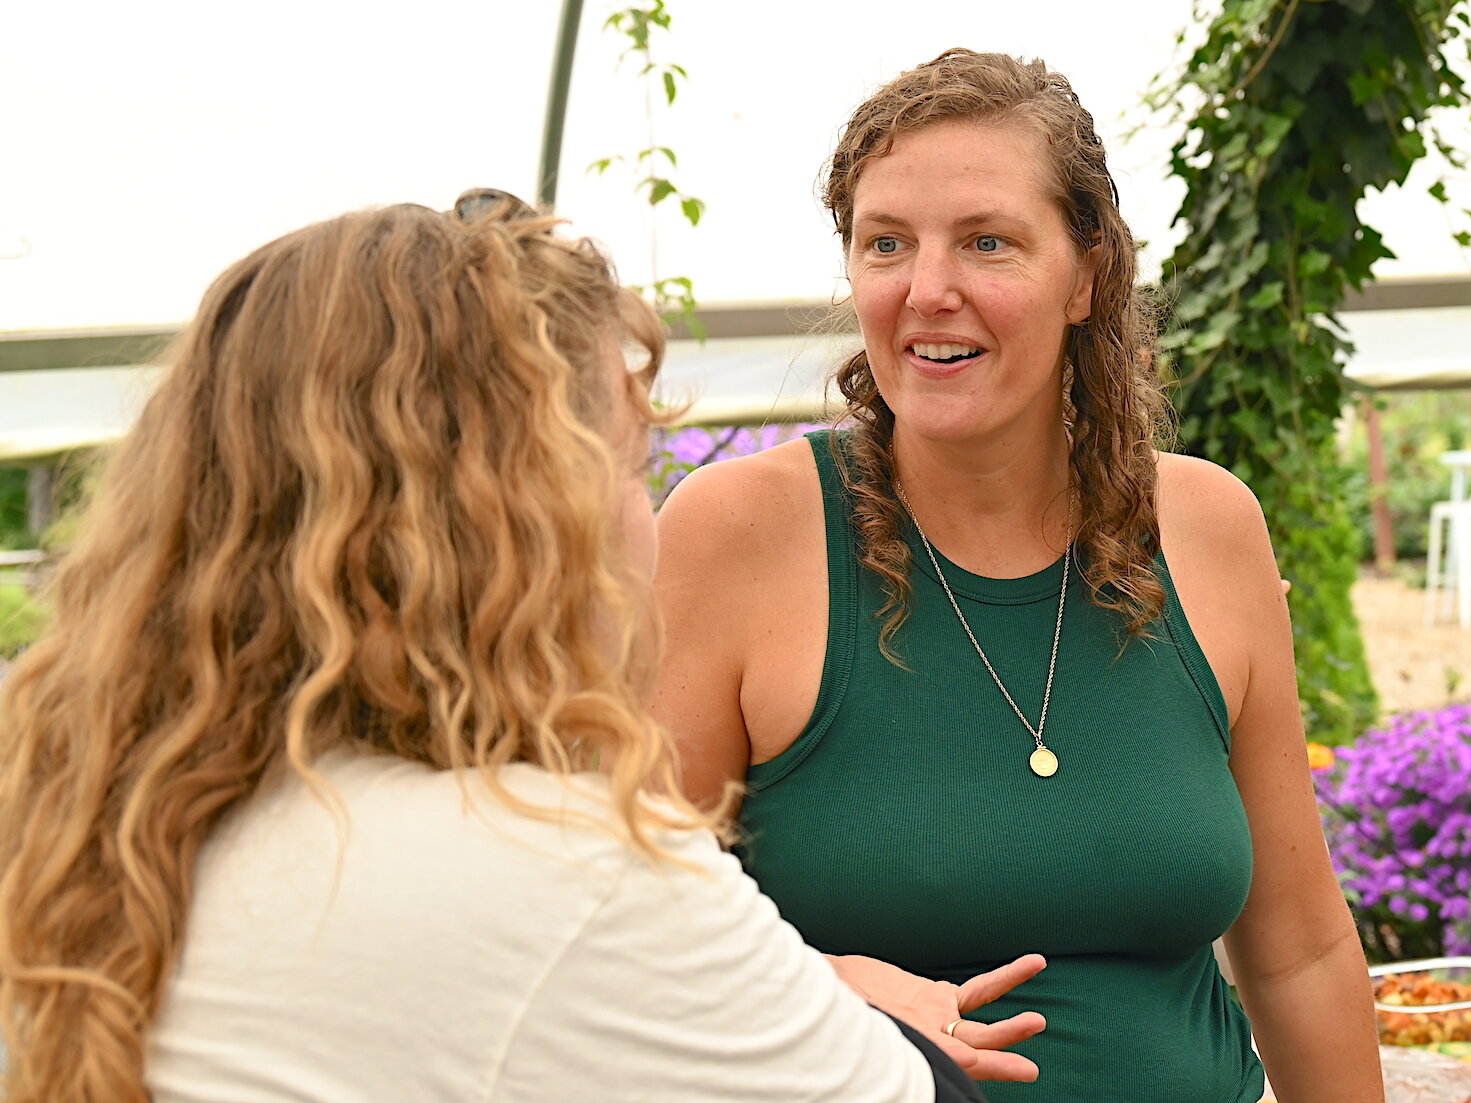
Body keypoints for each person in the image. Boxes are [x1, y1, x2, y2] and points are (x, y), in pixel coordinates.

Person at [0, 195, 1050, 1102]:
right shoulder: (564, 864)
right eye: (632, 469)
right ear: (529, 526)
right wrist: (836, 988)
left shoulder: (90, 809)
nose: (651, 519)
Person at [653, 49, 1385, 1103]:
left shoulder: (1207, 526)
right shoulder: (738, 534)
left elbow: (1298, 950)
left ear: (1085, 275)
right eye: (886, 244)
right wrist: (818, 984)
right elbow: (623, 933)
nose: (928, 290)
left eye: (986, 242)